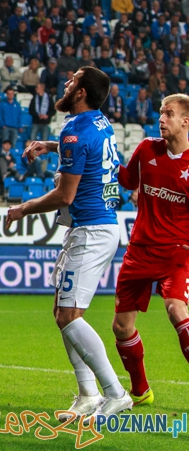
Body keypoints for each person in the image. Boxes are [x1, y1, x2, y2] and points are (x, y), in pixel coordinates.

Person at [6, 66, 132, 420]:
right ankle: (88, 394)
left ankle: (114, 392)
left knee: (68, 314)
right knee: (63, 313)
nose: (66, 83)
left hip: (91, 230)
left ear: (80, 93)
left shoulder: (76, 130)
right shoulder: (99, 122)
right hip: (95, 226)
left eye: (73, 80)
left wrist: (23, 209)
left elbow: (65, 194)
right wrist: (51, 145)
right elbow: (89, 153)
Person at [111, 94, 189, 408]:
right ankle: (141, 391)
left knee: (176, 310)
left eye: (168, 114)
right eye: (160, 113)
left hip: (177, 252)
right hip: (140, 251)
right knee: (121, 326)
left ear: (185, 120)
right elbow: (127, 180)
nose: (161, 119)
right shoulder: (146, 149)